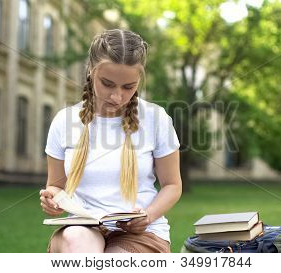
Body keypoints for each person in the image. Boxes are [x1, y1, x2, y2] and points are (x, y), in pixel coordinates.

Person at [39, 29, 182, 253]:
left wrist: (148, 215)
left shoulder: (156, 119)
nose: (117, 97)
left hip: (142, 233)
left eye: (128, 87)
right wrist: (53, 200)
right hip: (82, 227)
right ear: (90, 71)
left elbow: (172, 185)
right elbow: (56, 185)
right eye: (107, 83)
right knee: (77, 243)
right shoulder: (64, 121)